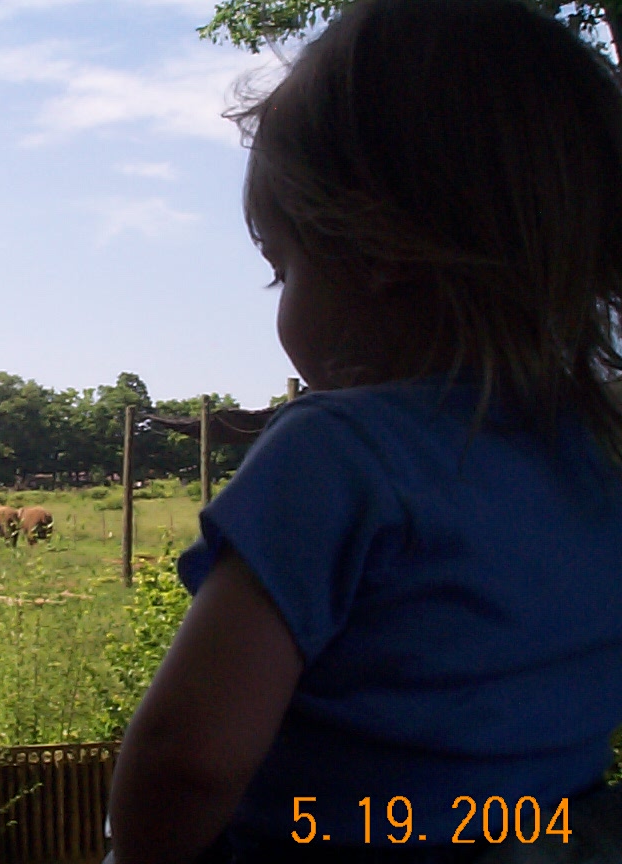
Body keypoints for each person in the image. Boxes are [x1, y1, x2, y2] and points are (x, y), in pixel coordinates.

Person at [107, 0, 622, 861]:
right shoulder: (600, 459)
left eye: (283, 269)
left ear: (377, 249)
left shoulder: (336, 456)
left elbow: (187, 759)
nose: (280, 304)